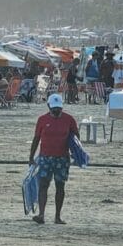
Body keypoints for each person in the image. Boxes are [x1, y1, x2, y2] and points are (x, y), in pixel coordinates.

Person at [28, 93, 79, 225]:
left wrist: (77, 156)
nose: (56, 111)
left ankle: (57, 216)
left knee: (60, 187)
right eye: (54, 108)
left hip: (62, 159)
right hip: (45, 157)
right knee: (43, 185)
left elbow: (76, 139)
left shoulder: (69, 120)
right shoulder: (42, 120)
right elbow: (36, 139)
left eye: (59, 108)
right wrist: (31, 156)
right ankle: (41, 214)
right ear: (48, 106)